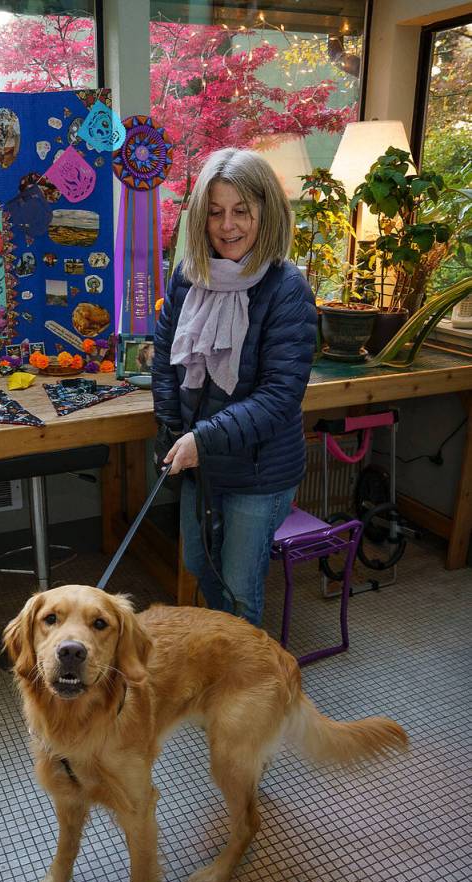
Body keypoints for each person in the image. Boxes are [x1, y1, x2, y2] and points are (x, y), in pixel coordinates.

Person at [152, 147, 317, 626]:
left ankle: (248, 686)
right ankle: (230, 661)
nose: (228, 226)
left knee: (241, 591)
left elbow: (279, 396)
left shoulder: (287, 287)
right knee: (198, 563)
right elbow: (165, 360)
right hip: (201, 461)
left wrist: (202, 438)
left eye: (241, 211)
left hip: (258, 470)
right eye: (216, 212)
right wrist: (169, 424)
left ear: (265, 212)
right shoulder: (187, 276)